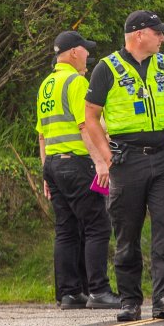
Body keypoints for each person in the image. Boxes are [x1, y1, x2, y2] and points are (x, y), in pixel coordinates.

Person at [83, 11, 164, 322]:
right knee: (127, 232)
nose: (163, 38)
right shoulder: (107, 68)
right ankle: (130, 300)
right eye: (158, 33)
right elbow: (91, 116)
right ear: (140, 34)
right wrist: (106, 157)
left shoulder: (163, 65)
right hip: (127, 160)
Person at [36, 30, 120, 310]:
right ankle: (98, 290)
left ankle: (69, 293)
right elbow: (86, 125)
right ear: (73, 52)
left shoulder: (46, 85)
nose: (88, 55)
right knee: (97, 225)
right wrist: (99, 162)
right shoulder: (75, 82)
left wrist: (46, 171)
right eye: (85, 50)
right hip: (78, 162)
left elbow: (42, 135)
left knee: (66, 229)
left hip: (54, 164)